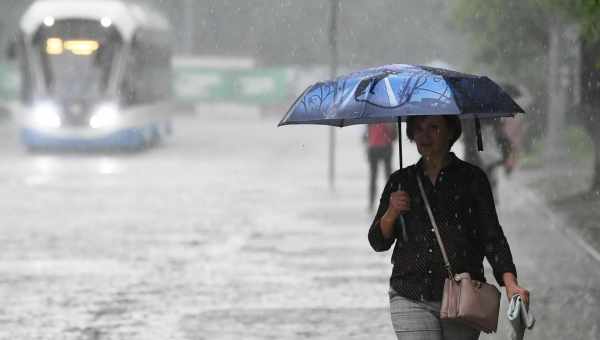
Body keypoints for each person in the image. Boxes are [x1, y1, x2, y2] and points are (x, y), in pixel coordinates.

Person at [368, 115, 529, 339]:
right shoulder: (400, 181)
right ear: (411, 133)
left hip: (463, 294)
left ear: (451, 132)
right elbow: (378, 241)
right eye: (419, 128)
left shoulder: (473, 179)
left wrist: (510, 284)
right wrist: (391, 213)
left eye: (434, 127)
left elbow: (491, 237)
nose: (424, 135)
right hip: (410, 293)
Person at [364, 123, 397, 211]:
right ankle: (375, 202)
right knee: (381, 177)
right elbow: (394, 136)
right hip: (379, 148)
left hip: (378, 148)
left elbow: (365, 136)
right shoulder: (389, 115)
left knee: (384, 177)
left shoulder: (371, 116)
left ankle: (386, 201)